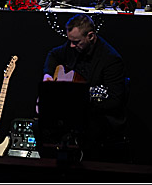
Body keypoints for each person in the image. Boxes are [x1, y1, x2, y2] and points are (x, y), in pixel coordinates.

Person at [41, 14, 127, 157]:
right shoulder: (72, 47)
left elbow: (114, 100)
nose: (71, 46)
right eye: (70, 41)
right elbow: (53, 54)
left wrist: (83, 101)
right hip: (74, 113)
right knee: (40, 125)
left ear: (91, 36)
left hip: (99, 117)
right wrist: (48, 75)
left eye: (76, 42)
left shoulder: (111, 59)